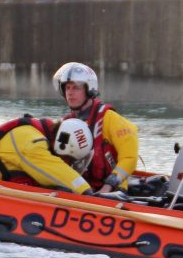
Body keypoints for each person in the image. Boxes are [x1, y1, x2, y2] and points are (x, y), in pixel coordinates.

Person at [52, 62, 139, 193]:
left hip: (113, 192)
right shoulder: (66, 123)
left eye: (76, 88)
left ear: (89, 89)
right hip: (82, 189)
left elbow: (130, 157)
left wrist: (108, 186)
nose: (70, 93)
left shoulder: (109, 118)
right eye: (67, 88)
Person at [0, 116, 93, 194]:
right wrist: (85, 191)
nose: (68, 163)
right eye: (69, 159)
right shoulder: (32, 143)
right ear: (63, 145)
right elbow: (53, 168)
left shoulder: (34, 134)